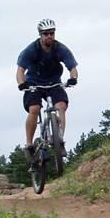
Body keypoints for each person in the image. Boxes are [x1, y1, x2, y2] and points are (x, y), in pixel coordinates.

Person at [16, 18, 79, 162]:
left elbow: (72, 68)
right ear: (40, 35)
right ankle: (29, 145)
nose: (49, 36)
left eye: (52, 33)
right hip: (33, 83)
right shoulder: (31, 50)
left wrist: (73, 78)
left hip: (54, 82)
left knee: (61, 106)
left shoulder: (60, 48)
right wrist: (22, 84)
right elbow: (20, 70)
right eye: (46, 34)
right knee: (34, 109)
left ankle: (59, 139)